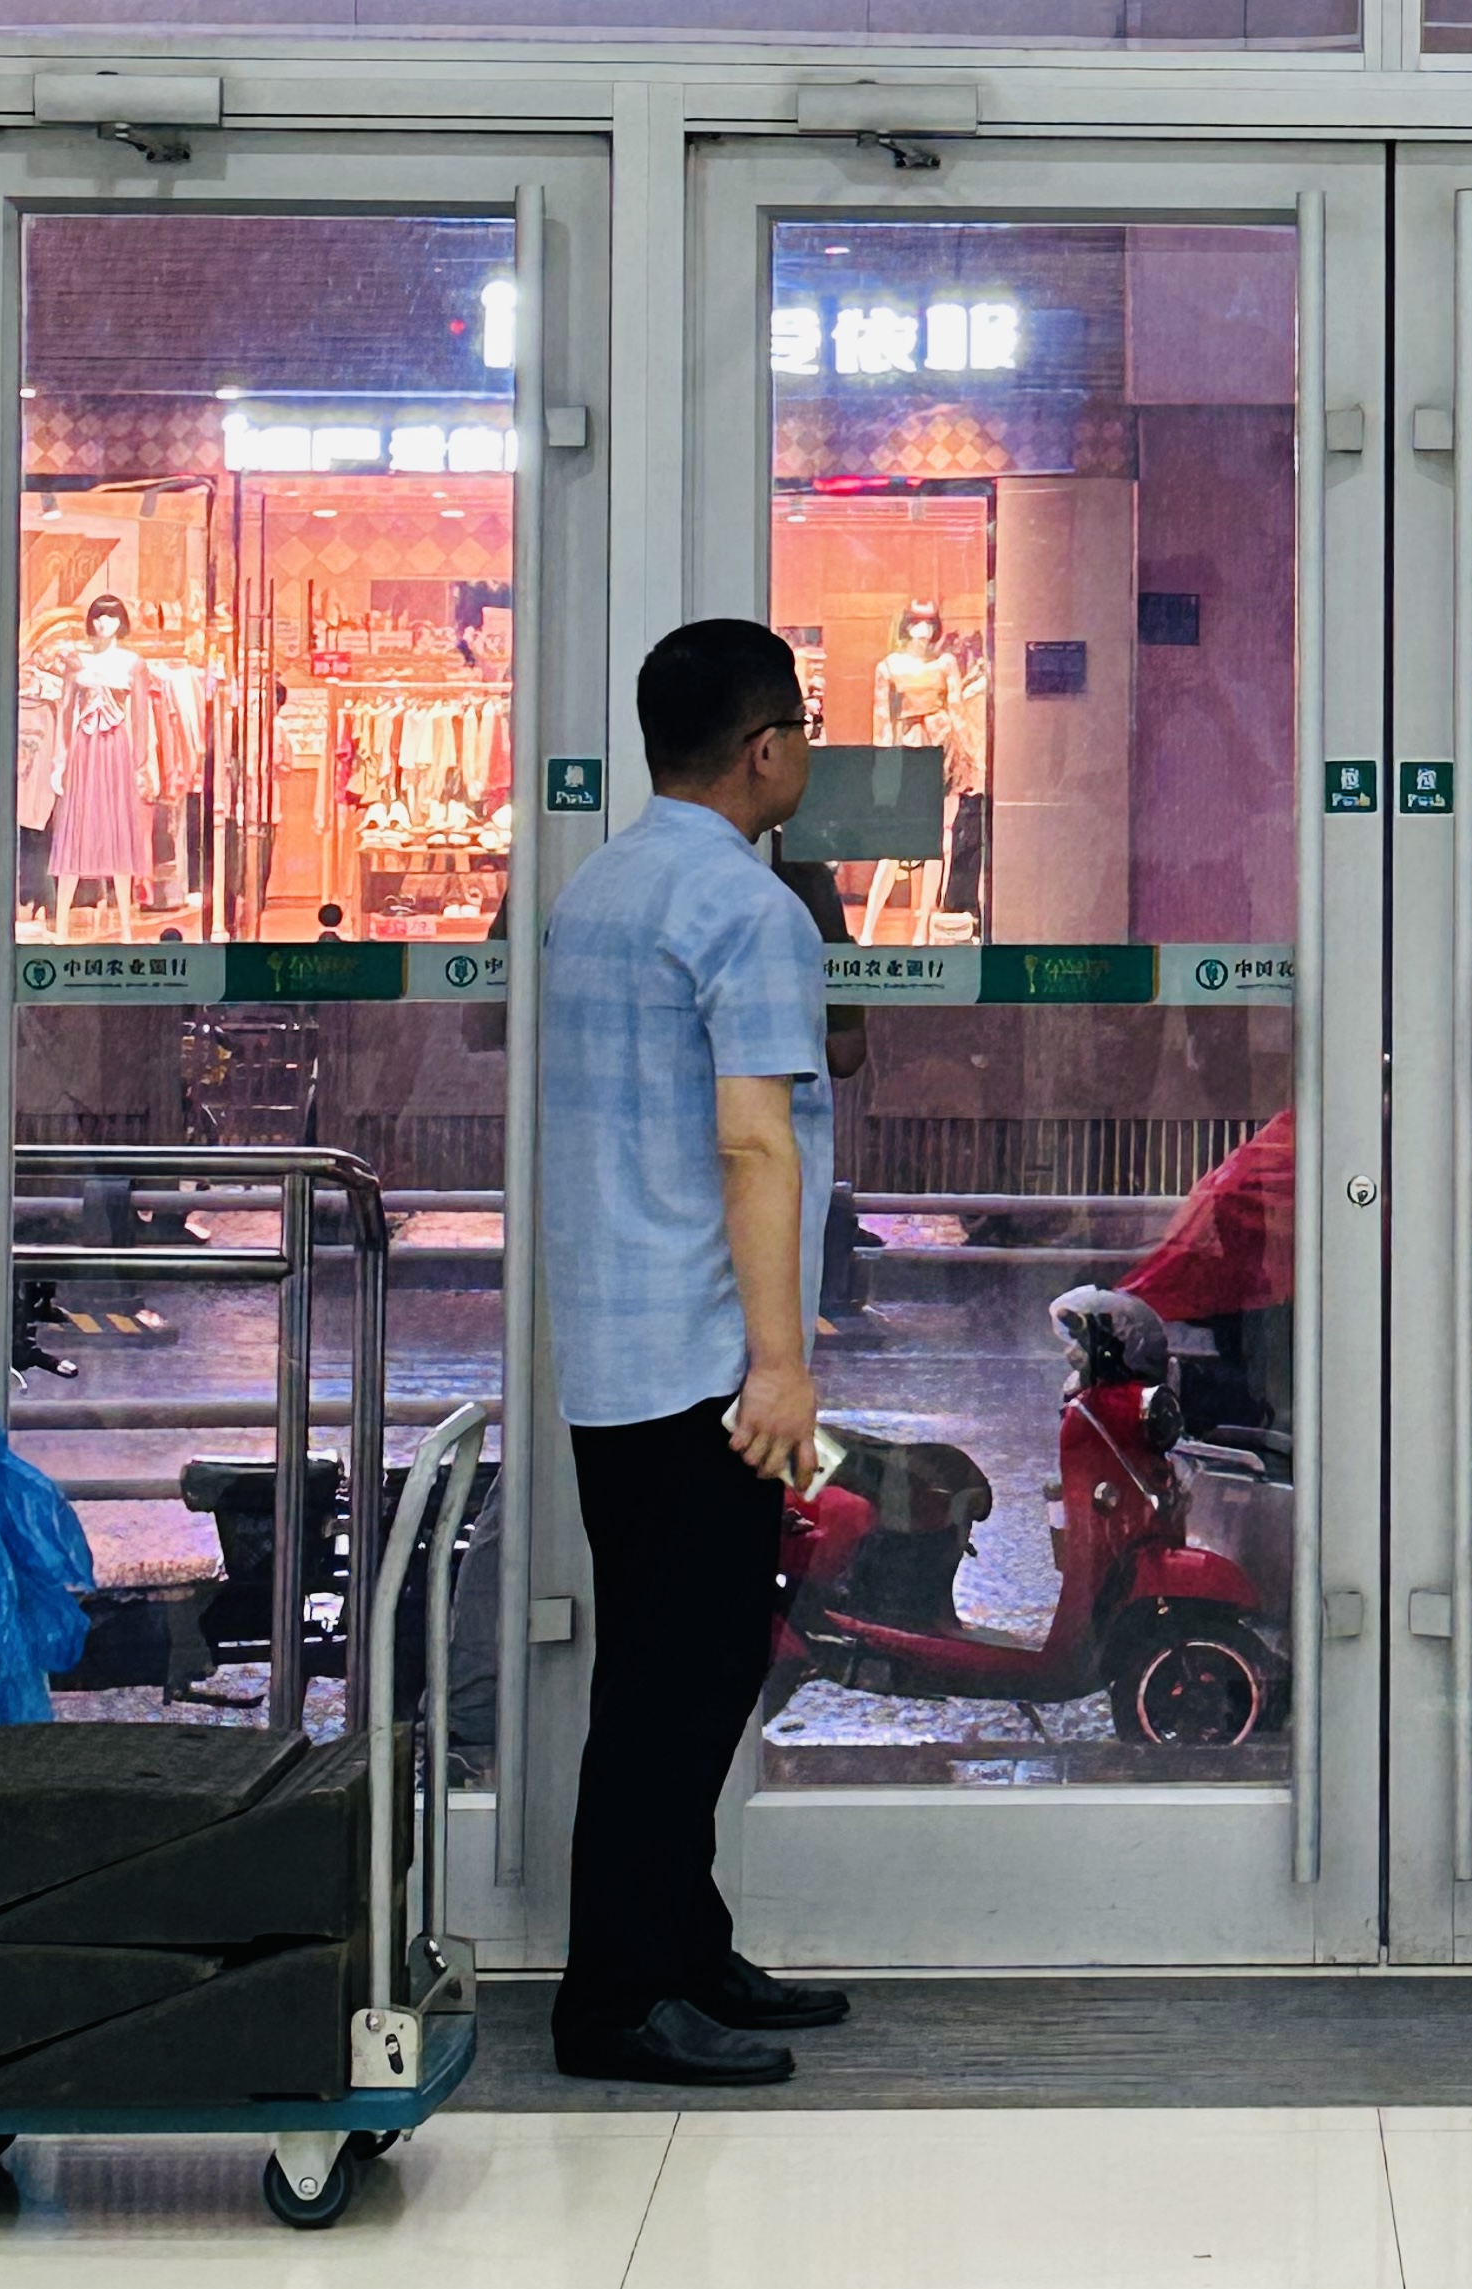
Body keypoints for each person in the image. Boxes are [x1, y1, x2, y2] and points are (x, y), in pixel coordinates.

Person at [540, 619, 855, 2086]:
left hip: (613, 1342)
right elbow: (753, 1141)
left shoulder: (602, 884)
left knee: (669, 1667)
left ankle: (683, 1946)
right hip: (696, 1362)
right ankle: (615, 2000)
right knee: (685, 1684)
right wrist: (780, 1366)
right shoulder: (749, 909)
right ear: (764, 747)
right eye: (798, 726)